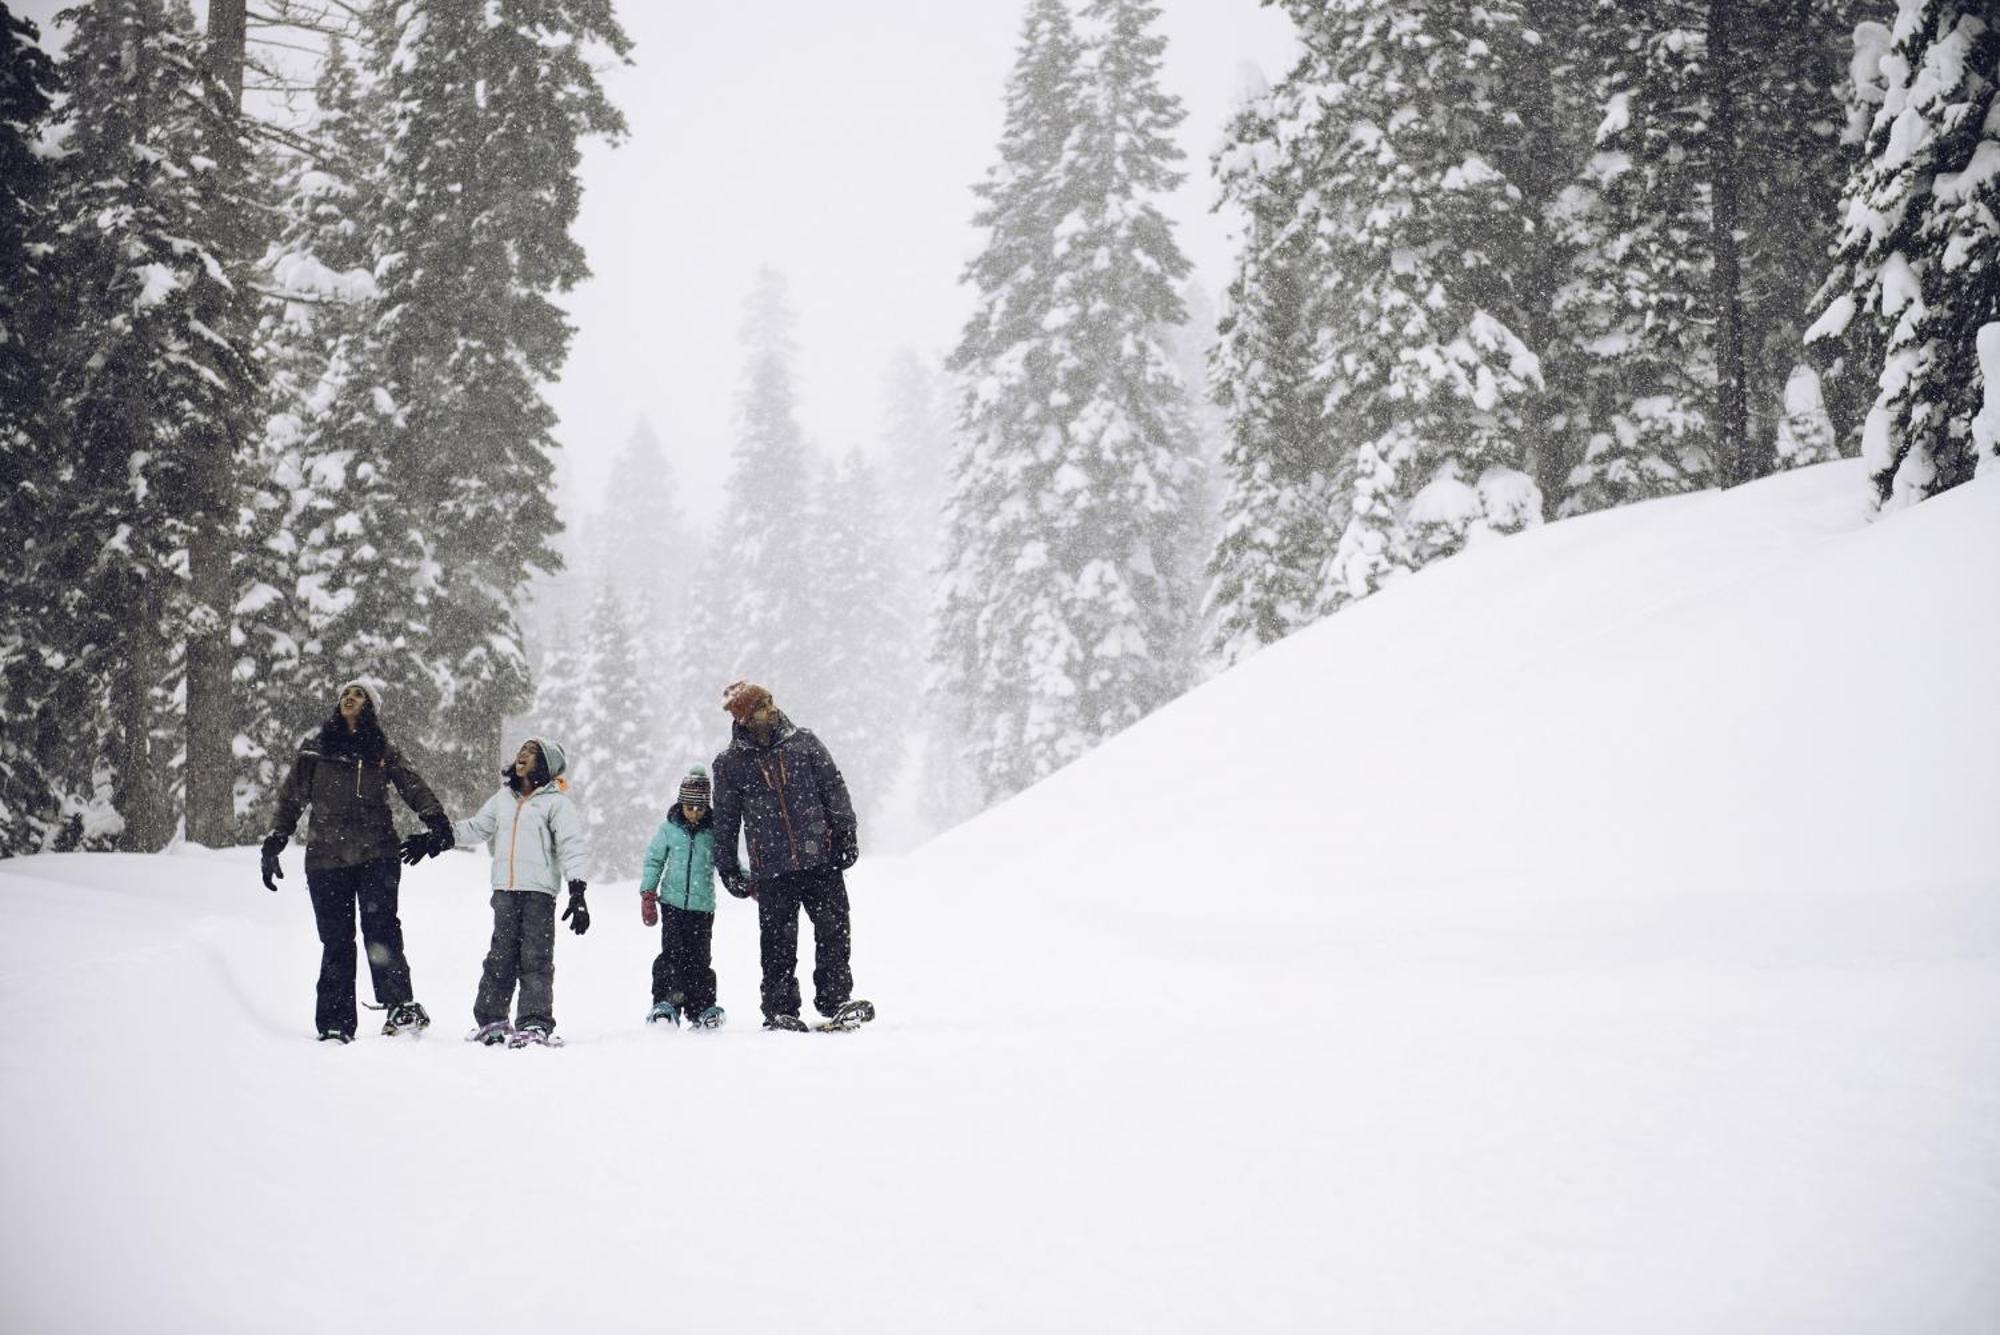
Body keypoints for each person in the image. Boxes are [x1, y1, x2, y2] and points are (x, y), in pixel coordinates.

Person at [262, 679, 449, 1043]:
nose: (350, 697)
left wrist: (436, 820)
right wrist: (275, 839)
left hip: (377, 853)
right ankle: (335, 1022)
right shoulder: (315, 748)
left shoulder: (381, 749)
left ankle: (399, 1007)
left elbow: (411, 783)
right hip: (325, 858)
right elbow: (291, 798)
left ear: (370, 707)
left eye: (359, 694)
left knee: (381, 929)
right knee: (336, 940)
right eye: (346, 693)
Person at [403, 736, 588, 1048]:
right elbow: (476, 828)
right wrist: (439, 839)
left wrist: (577, 890)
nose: (522, 755)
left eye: (531, 752)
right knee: (499, 957)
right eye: (522, 750)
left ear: (545, 764)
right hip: (504, 890)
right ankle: (492, 1021)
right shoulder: (503, 799)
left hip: (539, 893)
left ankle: (534, 1023)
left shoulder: (557, 804)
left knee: (535, 958)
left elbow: (572, 848)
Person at [711, 680, 873, 1032]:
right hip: (772, 870)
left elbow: (834, 787)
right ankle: (779, 1009)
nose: (770, 709)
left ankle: (835, 1000)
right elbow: (725, 820)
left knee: (834, 930)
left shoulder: (805, 743)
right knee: (777, 943)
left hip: (822, 860)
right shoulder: (730, 764)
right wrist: (727, 866)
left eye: (769, 702)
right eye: (761, 706)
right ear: (745, 717)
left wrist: (845, 832)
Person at [636, 764, 724, 1030]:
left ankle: (701, 1008)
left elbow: (727, 861)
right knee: (672, 956)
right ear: (681, 803)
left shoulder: (714, 832)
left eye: (700, 808)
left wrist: (747, 883)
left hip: (702, 907)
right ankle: (667, 1004)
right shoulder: (669, 829)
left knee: (700, 959)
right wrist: (648, 894)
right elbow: (654, 860)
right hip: (673, 905)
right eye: (690, 807)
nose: (695, 814)